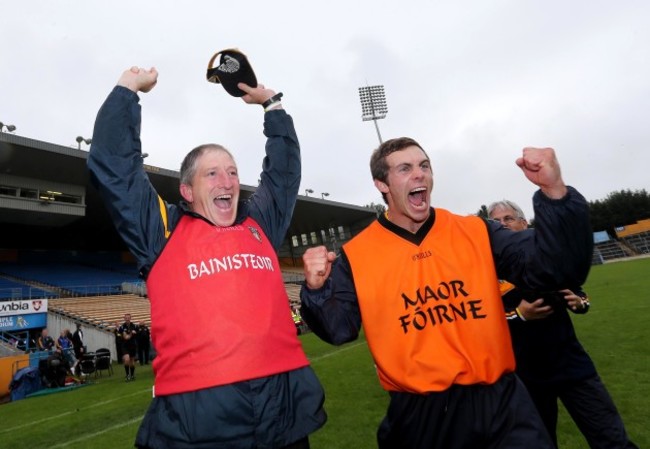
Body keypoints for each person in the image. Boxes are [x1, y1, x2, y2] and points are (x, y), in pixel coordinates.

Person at [300, 137, 593, 449]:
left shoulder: (476, 231)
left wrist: (555, 193)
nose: (419, 174)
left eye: (424, 166)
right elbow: (339, 329)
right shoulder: (356, 255)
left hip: (502, 402)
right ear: (381, 184)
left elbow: (555, 269)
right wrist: (316, 290)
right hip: (422, 415)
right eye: (405, 168)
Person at [87, 66, 325, 449]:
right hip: (200, 412)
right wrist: (128, 89)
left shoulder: (259, 222)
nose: (227, 181)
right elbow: (116, 169)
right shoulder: (161, 230)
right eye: (212, 174)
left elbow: (282, 177)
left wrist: (273, 106)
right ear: (186, 190)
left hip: (282, 401)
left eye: (232, 172)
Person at [488, 200, 638, 449]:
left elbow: (580, 294)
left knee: (612, 439)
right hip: (526, 375)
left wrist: (580, 303)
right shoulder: (488, 270)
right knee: (539, 443)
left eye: (508, 219)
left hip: (572, 366)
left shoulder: (546, 258)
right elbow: (485, 319)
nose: (502, 225)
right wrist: (520, 314)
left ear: (524, 223)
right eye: (496, 222)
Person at [117, 313, 138, 381]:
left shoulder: (134, 326)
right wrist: (132, 333)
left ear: (130, 318)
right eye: (126, 318)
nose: (127, 319)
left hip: (132, 345)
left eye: (128, 317)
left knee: (132, 361)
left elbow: (137, 334)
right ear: (124, 319)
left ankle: (132, 375)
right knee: (126, 359)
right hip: (125, 346)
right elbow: (126, 337)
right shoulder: (122, 327)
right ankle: (127, 375)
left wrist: (135, 333)